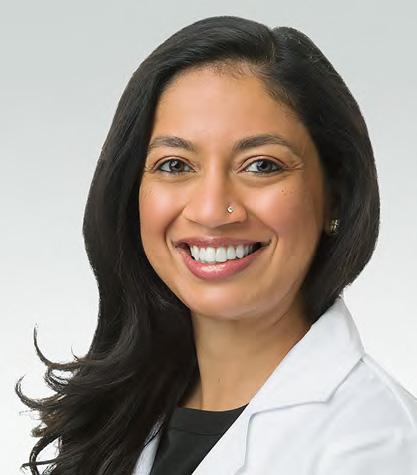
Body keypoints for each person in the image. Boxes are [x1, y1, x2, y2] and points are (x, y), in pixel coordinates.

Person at [17, 15, 417, 475]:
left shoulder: (378, 445)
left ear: (336, 196)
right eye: (174, 165)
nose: (211, 210)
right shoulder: (120, 413)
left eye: (261, 165)